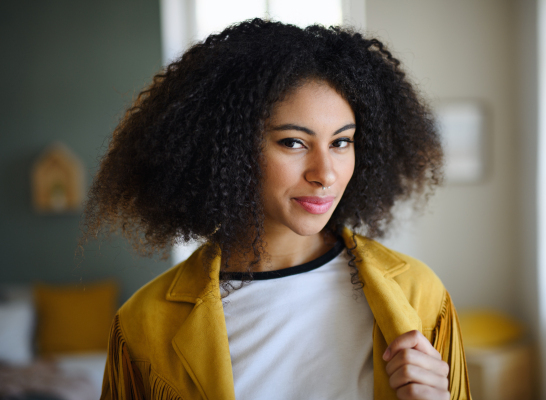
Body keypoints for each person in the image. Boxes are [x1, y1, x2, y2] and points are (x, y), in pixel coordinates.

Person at [82, 18, 471, 400]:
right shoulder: (143, 326)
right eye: (293, 143)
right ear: (230, 148)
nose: (325, 175)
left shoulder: (420, 296)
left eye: (341, 142)